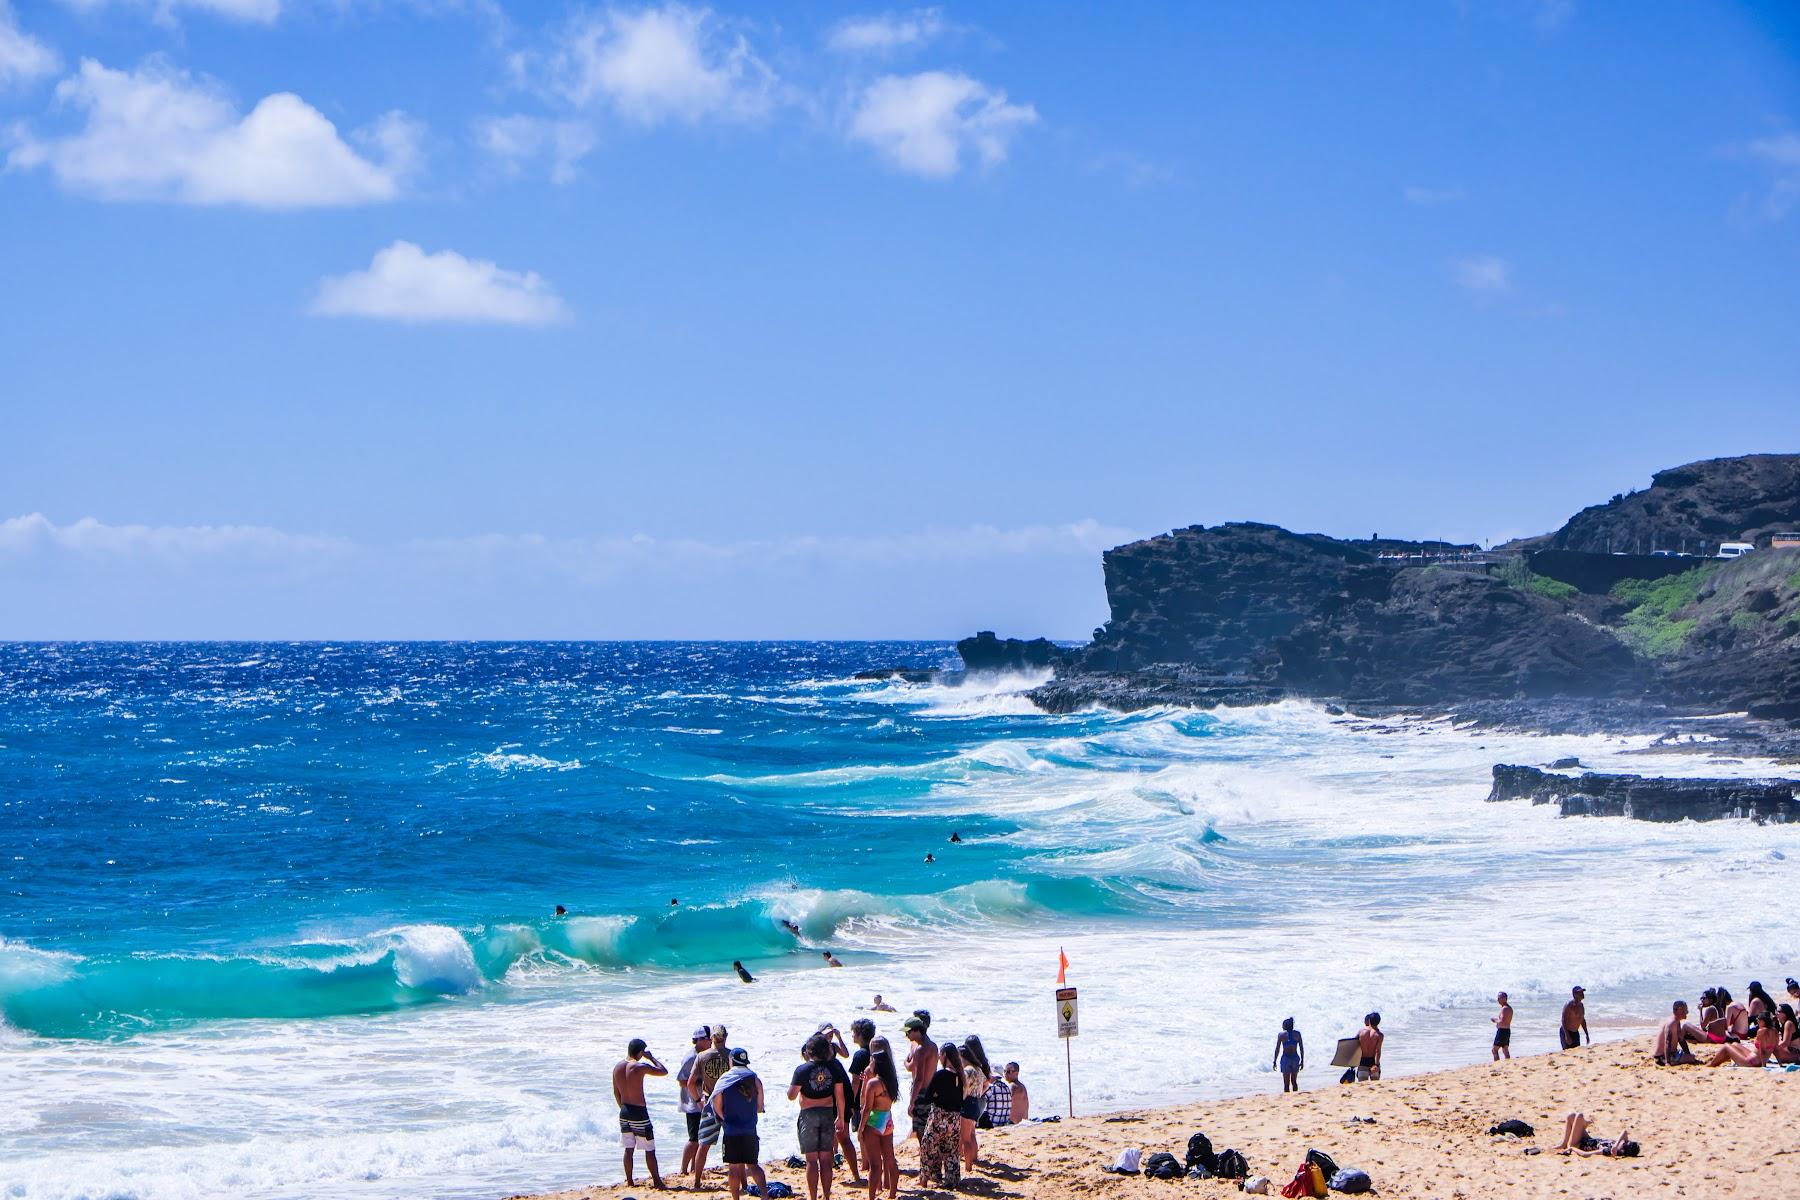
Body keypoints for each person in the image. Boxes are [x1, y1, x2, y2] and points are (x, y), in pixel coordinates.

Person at [789, 1034, 846, 1200]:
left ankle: (813, 1197)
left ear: (808, 1051)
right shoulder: (834, 1068)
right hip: (828, 1113)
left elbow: (791, 1095)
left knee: (812, 1161)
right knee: (826, 1160)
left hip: (808, 1115)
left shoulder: (802, 1070)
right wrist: (841, 1118)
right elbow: (840, 1097)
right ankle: (826, 1196)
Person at [612, 1038, 669, 1190]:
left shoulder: (617, 1067)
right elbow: (663, 1071)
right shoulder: (639, 1066)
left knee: (628, 1149)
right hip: (639, 1112)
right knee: (650, 1149)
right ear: (640, 1052)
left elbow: (616, 1092)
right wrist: (651, 1058)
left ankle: (629, 1181)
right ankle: (657, 1181)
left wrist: (623, 1108)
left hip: (624, 1111)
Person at [713, 1048, 768, 1200]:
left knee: (734, 1167)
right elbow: (760, 1107)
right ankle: (765, 1196)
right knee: (753, 1165)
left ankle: (736, 1198)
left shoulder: (725, 1079)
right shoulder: (755, 1079)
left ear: (731, 1061)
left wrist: (726, 1119)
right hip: (750, 1129)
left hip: (731, 1130)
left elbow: (716, 1105)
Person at [690, 1024, 735, 1189]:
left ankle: (696, 1182)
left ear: (711, 1039)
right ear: (726, 1037)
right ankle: (742, 1183)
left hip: (710, 1101)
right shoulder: (731, 1055)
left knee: (704, 1145)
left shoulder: (702, 1056)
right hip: (729, 1103)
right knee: (733, 1143)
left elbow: (690, 1083)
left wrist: (698, 1101)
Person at [858, 1036, 900, 1200]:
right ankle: (892, 1194)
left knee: (875, 1165)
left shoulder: (873, 1083)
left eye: (872, 1061)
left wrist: (861, 1128)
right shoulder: (891, 1081)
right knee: (890, 1160)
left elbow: (867, 1108)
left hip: (875, 1121)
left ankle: (871, 1197)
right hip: (887, 1120)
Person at [917, 1042, 965, 1188]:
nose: (938, 1057)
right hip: (955, 1119)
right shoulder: (960, 1076)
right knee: (951, 1150)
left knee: (927, 1146)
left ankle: (924, 1179)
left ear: (944, 1055)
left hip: (939, 1116)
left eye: (940, 1054)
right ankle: (952, 1180)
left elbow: (928, 1096)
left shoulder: (941, 1075)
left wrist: (937, 1097)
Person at [677, 1026, 712, 1174]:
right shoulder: (691, 1057)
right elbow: (681, 1081)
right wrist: (701, 1082)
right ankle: (683, 1169)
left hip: (700, 1101)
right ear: (699, 1040)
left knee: (700, 1137)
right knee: (694, 1139)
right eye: (707, 1039)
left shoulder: (703, 1054)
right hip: (692, 1103)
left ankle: (693, 1167)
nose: (710, 1041)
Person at [958, 1034, 993, 1172]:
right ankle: (974, 1157)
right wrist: (979, 1093)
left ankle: (968, 1165)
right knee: (971, 1133)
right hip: (978, 1100)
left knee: (965, 1136)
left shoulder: (969, 1069)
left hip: (968, 1101)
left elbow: (964, 1089)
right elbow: (987, 1083)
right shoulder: (980, 1066)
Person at [902, 1017, 938, 1143]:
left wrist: (911, 1103)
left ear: (917, 1031)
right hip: (932, 1091)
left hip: (922, 1093)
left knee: (921, 1130)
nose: (906, 1035)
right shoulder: (933, 1046)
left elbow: (919, 1079)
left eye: (908, 1032)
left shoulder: (921, 1049)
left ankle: (925, 1158)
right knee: (930, 1127)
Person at [1549, 1112, 1638, 1157]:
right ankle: (1563, 1144)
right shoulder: (1617, 1145)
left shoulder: (1609, 1151)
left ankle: (1567, 1144)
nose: (1624, 1142)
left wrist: (1572, 1148)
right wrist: (1616, 1144)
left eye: (1625, 1144)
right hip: (1587, 1138)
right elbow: (1625, 1132)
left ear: (1623, 1150)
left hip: (1577, 1144)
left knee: (1579, 1116)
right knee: (1571, 1116)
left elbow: (1585, 1154)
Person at [1708, 1015, 1781, 1067]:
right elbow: (1776, 1049)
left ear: (1763, 1021)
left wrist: (1763, 1065)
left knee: (1726, 1046)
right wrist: (1780, 1063)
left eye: (1758, 1020)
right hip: (1756, 1059)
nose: (1757, 1022)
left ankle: (1711, 1064)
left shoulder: (1761, 1031)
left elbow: (1762, 1049)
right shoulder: (1774, 1031)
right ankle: (1719, 1060)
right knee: (1735, 1044)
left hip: (1753, 1061)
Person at [1653, 1001, 1701, 1065]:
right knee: (1691, 1058)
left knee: (1691, 1056)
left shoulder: (1676, 1021)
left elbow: (1681, 1040)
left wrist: (1687, 1053)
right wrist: (1668, 1063)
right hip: (1662, 1056)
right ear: (1680, 1010)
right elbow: (1667, 1042)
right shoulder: (1671, 1023)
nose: (1687, 1012)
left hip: (1670, 1053)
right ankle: (1669, 1060)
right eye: (1686, 1010)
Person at [1272, 1017, 1304, 1092]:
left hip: (1286, 1058)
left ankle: (1287, 1098)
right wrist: (1302, 1060)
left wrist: (1274, 1061)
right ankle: (1295, 1096)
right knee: (1294, 1081)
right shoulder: (1297, 1034)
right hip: (1295, 1058)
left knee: (1286, 1083)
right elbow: (1301, 1048)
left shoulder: (1281, 1034)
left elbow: (1277, 1049)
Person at [1356, 1012, 1383, 1081]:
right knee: (1375, 1085)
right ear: (1379, 1022)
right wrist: (1376, 1065)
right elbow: (1378, 1051)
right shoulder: (1379, 1035)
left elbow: (1354, 1046)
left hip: (1362, 1062)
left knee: (1362, 1086)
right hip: (1373, 1063)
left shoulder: (1361, 1032)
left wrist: (1352, 1062)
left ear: (1369, 1021)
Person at [1491, 992, 1513, 1061]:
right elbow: (1504, 1020)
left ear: (1504, 999)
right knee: (1505, 1050)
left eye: (1499, 998)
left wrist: (1495, 1020)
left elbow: (1502, 1021)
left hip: (1502, 1031)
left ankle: (1497, 1064)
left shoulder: (1505, 1008)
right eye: (1498, 998)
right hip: (1506, 1031)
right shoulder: (1508, 1008)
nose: (1498, 999)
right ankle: (1508, 1063)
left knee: (1494, 1050)